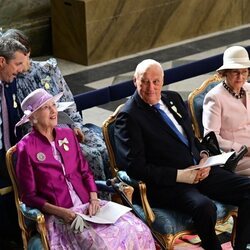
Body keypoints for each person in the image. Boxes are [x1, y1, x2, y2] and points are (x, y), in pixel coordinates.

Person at [114, 59, 250, 250]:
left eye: (156, 81)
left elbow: (192, 138)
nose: (150, 87)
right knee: (205, 207)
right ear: (134, 81)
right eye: (144, 81)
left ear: (163, 81)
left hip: (200, 170)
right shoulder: (128, 116)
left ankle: (241, 246)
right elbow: (135, 167)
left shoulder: (173, 99)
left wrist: (203, 156)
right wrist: (181, 176)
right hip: (169, 182)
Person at [15, 88, 156, 250]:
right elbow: (28, 196)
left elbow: (85, 171)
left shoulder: (67, 134)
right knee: (103, 245)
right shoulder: (25, 148)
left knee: (137, 229)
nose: (54, 111)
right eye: (46, 107)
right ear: (33, 117)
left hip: (89, 206)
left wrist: (94, 198)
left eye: (54, 105)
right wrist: (62, 213)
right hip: (61, 215)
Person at [2, 29, 109, 182]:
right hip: (44, 135)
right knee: (91, 157)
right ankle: (95, 198)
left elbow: (69, 101)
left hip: (70, 126)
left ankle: (117, 196)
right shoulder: (10, 80)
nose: (21, 62)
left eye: (23, 55)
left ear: (28, 52)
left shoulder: (48, 68)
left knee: (104, 149)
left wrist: (77, 125)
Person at [203, 45, 250, 176]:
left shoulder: (249, 88)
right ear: (225, 72)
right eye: (235, 72)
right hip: (236, 157)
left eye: (244, 72)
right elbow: (211, 138)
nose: (240, 77)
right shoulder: (214, 97)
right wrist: (244, 149)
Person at [0, 37, 28, 248]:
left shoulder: (10, 83)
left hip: (10, 150)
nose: (20, 70)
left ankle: (16, 234)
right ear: (2, 61)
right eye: (17, 64)